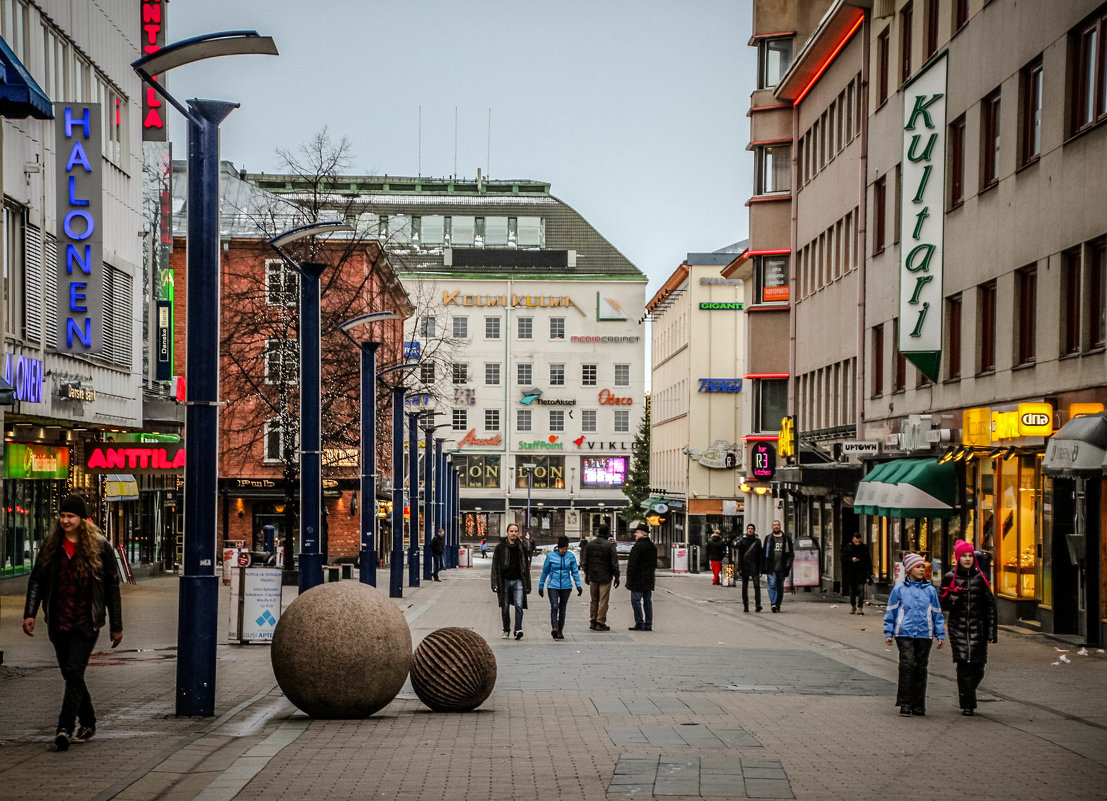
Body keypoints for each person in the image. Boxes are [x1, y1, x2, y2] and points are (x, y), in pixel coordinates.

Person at [22, 495, 123, 751]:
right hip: (58, 621)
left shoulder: (100, 547)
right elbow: (37, 581)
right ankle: (88, 721)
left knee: (74, 672)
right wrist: (30, 613)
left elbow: (112, 588)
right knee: (70, 673)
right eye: (63, 516)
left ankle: (64, 728)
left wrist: (116, 625)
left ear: (82, 520)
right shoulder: (52, 545)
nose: (66, 521)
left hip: (86, 622)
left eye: (71, 516)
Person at [883, 552, 946, 716]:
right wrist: (888, 632)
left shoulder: (931, 591)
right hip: (904, 633)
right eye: (918, 566)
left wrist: (940, 634)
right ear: (909, 569)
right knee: (907, 665)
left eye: (923, 567)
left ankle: (919, 704)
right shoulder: (899, 590)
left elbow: (937, 614)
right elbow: (891, 612)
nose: (921, 569)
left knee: (920, 668)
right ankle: (905, 703)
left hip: (925, 634)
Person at [940, 539, 997, 716]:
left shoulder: (981, 578)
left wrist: (991, 632)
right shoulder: (950, 577)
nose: (967, 559)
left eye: (970, 556)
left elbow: (990, 608)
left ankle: (967, 693)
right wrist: (953, 599)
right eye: (963, 556)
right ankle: (967, 704)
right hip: (958, 628)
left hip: (978, 629)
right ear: (957, 558)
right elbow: (942, 604)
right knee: (964, 665)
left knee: (979, 667)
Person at [537, 535, 582, 639]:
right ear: (558, 547)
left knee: (562, 608)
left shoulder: (570, 556)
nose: (564, 551)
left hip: (566, 586)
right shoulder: (551, 556)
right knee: (554, 606)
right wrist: (541, 586)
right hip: (553, 585)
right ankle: (554, 628)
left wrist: (578, 585)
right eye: (563, 549)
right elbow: (545, 571)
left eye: (566, 549)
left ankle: (560, 631)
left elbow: (574, 571)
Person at [491, 523, 530, 639]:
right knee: (505, 606)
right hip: (504, 581)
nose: (513, 533)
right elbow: (494, 566)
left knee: (519, 605)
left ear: (518, 533)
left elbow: (526, 567)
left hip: (518, 580)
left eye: (515, 531)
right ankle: (506, 629)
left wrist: (528, 584)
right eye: (511, 531)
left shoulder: (522, 547)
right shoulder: (500, 547)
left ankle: (518, 629)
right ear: (507, 532)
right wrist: (494, 583)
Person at [583, 523, 619, 631]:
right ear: (607, 533)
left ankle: (592, 620)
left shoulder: (590, 545)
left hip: (593, 575)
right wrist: (616, 576)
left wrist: (587, 574)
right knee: (603, 600)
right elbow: (614, 563)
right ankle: (600, 621)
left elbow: (585, 561)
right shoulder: (610, 546)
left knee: (594, 599)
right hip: (605, 576)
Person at [625, 522, 657, 631]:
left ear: (642, 534)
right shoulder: (652, 546)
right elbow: (654, 564)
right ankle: (649, 624)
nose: (635, 535)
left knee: (636, 601)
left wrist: (629, 580)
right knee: (647, 601)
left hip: (638, 579)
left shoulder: (638, 546)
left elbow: (632, 564)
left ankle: (639, 622)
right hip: (649, 578)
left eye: (637, 533)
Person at [762, 520, 794, 612]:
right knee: (772, 584)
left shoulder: (786, 539)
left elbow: (790, 553)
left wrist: (788, 563)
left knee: (780, 586)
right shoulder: (768, 538)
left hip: (782, 567)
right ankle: (773, 603)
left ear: (780, 526)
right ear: (772, 527)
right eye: (774, 525)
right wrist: (764, 565)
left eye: (777, 525)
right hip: (771, 567)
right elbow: (764, 553)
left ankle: (778, 604)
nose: (776, 526)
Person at [841, 532, 873, 614]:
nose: (857, 543)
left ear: (861, 539)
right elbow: (843, 558)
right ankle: (853, 606)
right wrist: (851, 559)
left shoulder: (864, 547)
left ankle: (860, 607)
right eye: (856, 541)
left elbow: (868, 560)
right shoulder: (848, 547)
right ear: (853, 539)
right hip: (851, 572)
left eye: (859, 541)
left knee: (861, 590)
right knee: (852, 591)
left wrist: (870, 572)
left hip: (861, 572)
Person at [736, 524, 764, 612]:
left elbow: (760, 555)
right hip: (745, 566)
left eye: (752, 529)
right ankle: (746, 605)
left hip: (755, 566)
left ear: (754, 530)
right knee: (745, 586)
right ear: (746, 530)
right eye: (749, 529)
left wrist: (760, 568)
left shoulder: (758, 541)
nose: (750, 530)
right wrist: (739, 567)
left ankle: (758, 604)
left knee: (757, 585)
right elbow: (739, 556)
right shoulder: (742, 541)